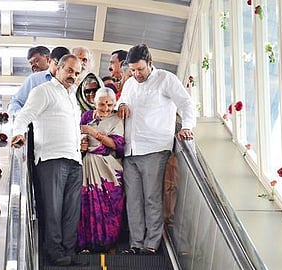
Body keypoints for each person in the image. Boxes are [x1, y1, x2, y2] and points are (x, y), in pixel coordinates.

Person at [117, 44, 196, 255]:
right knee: (133, 199)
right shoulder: (130, 83)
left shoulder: (166, 79)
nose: (136, 74)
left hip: (155, 147)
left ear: (150, 64)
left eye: (140, 69)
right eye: (132, 70)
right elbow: (122, 101)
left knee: (152, 197)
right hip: (130, 149)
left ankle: (151, 244)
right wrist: (122, 105)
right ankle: (135, 243)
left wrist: (187, 127)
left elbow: (187, 104)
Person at [11, 54, 84, 266]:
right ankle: (54, 252)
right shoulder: (43, 91)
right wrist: (18, 133)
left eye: (77, 73)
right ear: (58, 68)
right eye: (70, 71)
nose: (73, 76)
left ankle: (69, 252)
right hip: (51, 158)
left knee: (72, 210)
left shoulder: (73, 98)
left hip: (74, 159)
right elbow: (24, 115)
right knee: (53, 208)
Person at [76, 87, 125, 254]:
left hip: (108, 168)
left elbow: (116, 145)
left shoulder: (117, 118)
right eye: (102, 104)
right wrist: (81, 146)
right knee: (86, 202)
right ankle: (87, 244)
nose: (106, 109)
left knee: (110, 204)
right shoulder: (87, 116)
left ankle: (108, 244)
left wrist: (93, 132)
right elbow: (78, 137)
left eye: (110, 105)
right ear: (94, 103)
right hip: (88, 165)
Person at [7, 46, 70, 116]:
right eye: (31, 63)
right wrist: (22, 116)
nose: (33, 65)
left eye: (36, 61)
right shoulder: (33, 80)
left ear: (48, 59)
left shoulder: (71, 84)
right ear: (50, 60)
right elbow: (16, 102)